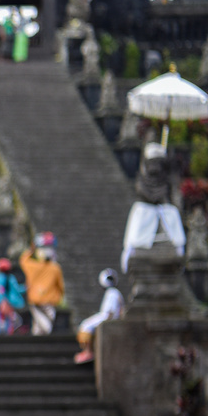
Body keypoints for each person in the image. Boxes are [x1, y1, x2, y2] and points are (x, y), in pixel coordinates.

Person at [121, 142, 185, 271]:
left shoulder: (169, 201)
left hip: (164, 217)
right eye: (152, 162)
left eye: (159, 162)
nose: (155, 167)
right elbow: (147, 193)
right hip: (145, 215)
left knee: (171, 215)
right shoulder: (141, 184)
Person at [75, 269, 125, 364]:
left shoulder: (112, 293)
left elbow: (109, 312)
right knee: (86, 324)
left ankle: (88, 352)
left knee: (86, 325)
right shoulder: (113, 292)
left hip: (108, 318)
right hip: (107, 316)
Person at [19, 233, 66, 336]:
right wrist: (60, 297)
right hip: (50, 301)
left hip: (36, 300)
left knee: (39, 328)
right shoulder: (55, 268)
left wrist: (32, 248)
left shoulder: (32, 266)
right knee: (46, 327)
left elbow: (23, 260)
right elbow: (60, 286)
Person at [0, 258, 27, 335]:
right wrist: (26, 288)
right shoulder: (10, 278)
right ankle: (7, 333)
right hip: (8, 302)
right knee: (8, 318)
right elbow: (17, 289)